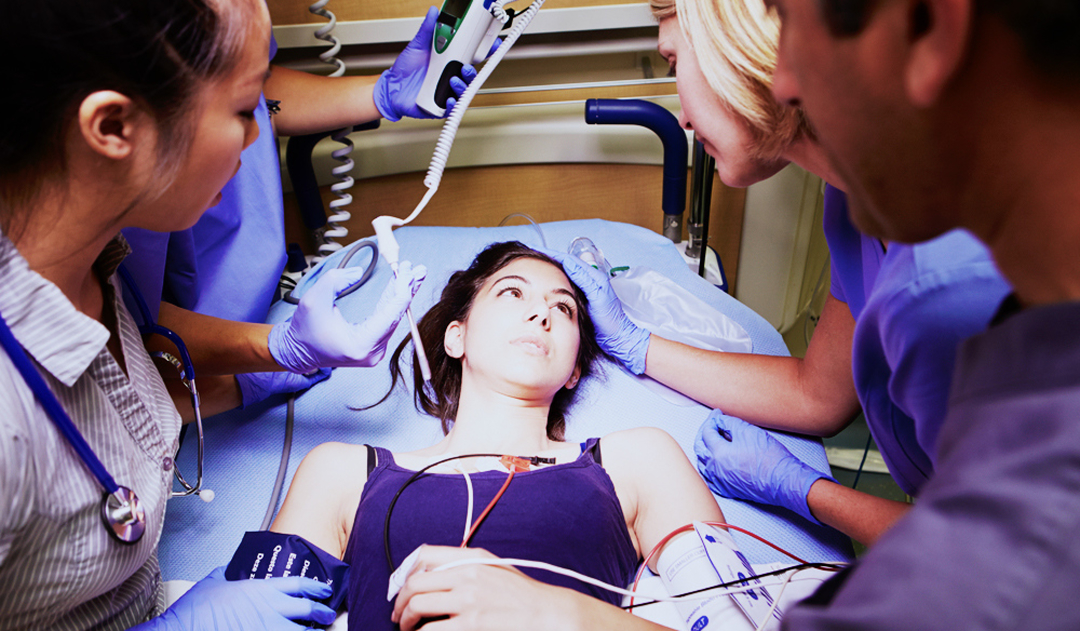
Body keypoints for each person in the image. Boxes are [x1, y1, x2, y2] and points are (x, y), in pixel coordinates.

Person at [0, 0, 420, 628]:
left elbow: (120, 384)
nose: (258, 137)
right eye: (243, 108)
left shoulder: (91, 261)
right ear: (114, 127)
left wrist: (281, 352)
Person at [549, 0, 1010, 547]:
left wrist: (802, 490)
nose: (683, 120)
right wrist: (635, 343)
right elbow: (819, 395)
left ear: (739, 47)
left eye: (675, 65)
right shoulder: (850, 200)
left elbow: (995, 547)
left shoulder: (952, 285)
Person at [750, 0, 1080, 628]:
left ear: (930, 24)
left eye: (790, 21)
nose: (784, 84)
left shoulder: (1025, 549)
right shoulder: (1031, 334)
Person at [269, 241, 727, 630]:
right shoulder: (341, 473)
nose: (540, 313)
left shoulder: (638, 460)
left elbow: (734, 622)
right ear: (456, 337)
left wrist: (552, 610)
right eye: (513, 293)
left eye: (562, 308)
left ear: (574, 371)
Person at [120, 6, 480, 419]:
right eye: (240, 115)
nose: (257, 135)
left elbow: (254, 90)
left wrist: (381, 93)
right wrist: (270, 355)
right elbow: (129, 333)